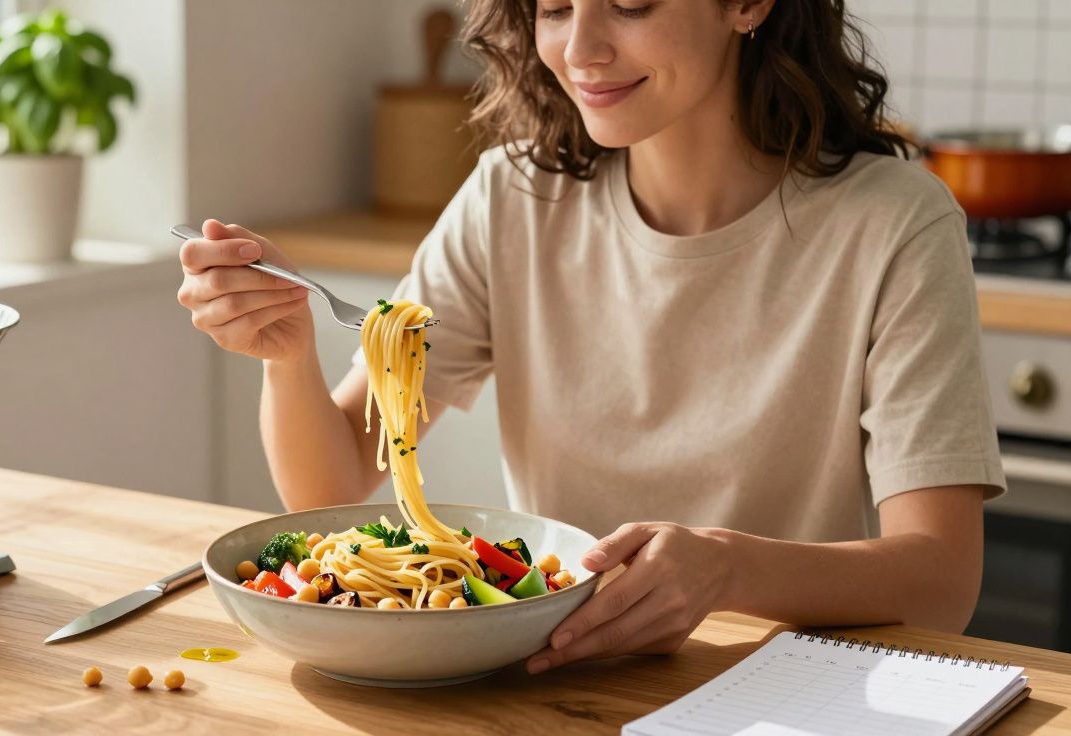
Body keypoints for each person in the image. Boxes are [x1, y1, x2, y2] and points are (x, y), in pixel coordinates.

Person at [176, 0, 1005, 675]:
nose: (581, 48)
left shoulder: (894, 223)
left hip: (787, 688)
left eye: (630, 4)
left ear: (749, 5)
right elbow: (336, 478)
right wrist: (288, 358)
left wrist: (726, 569)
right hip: (545, 685)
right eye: (555, 8)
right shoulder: (513, 197)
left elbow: (940, 580)